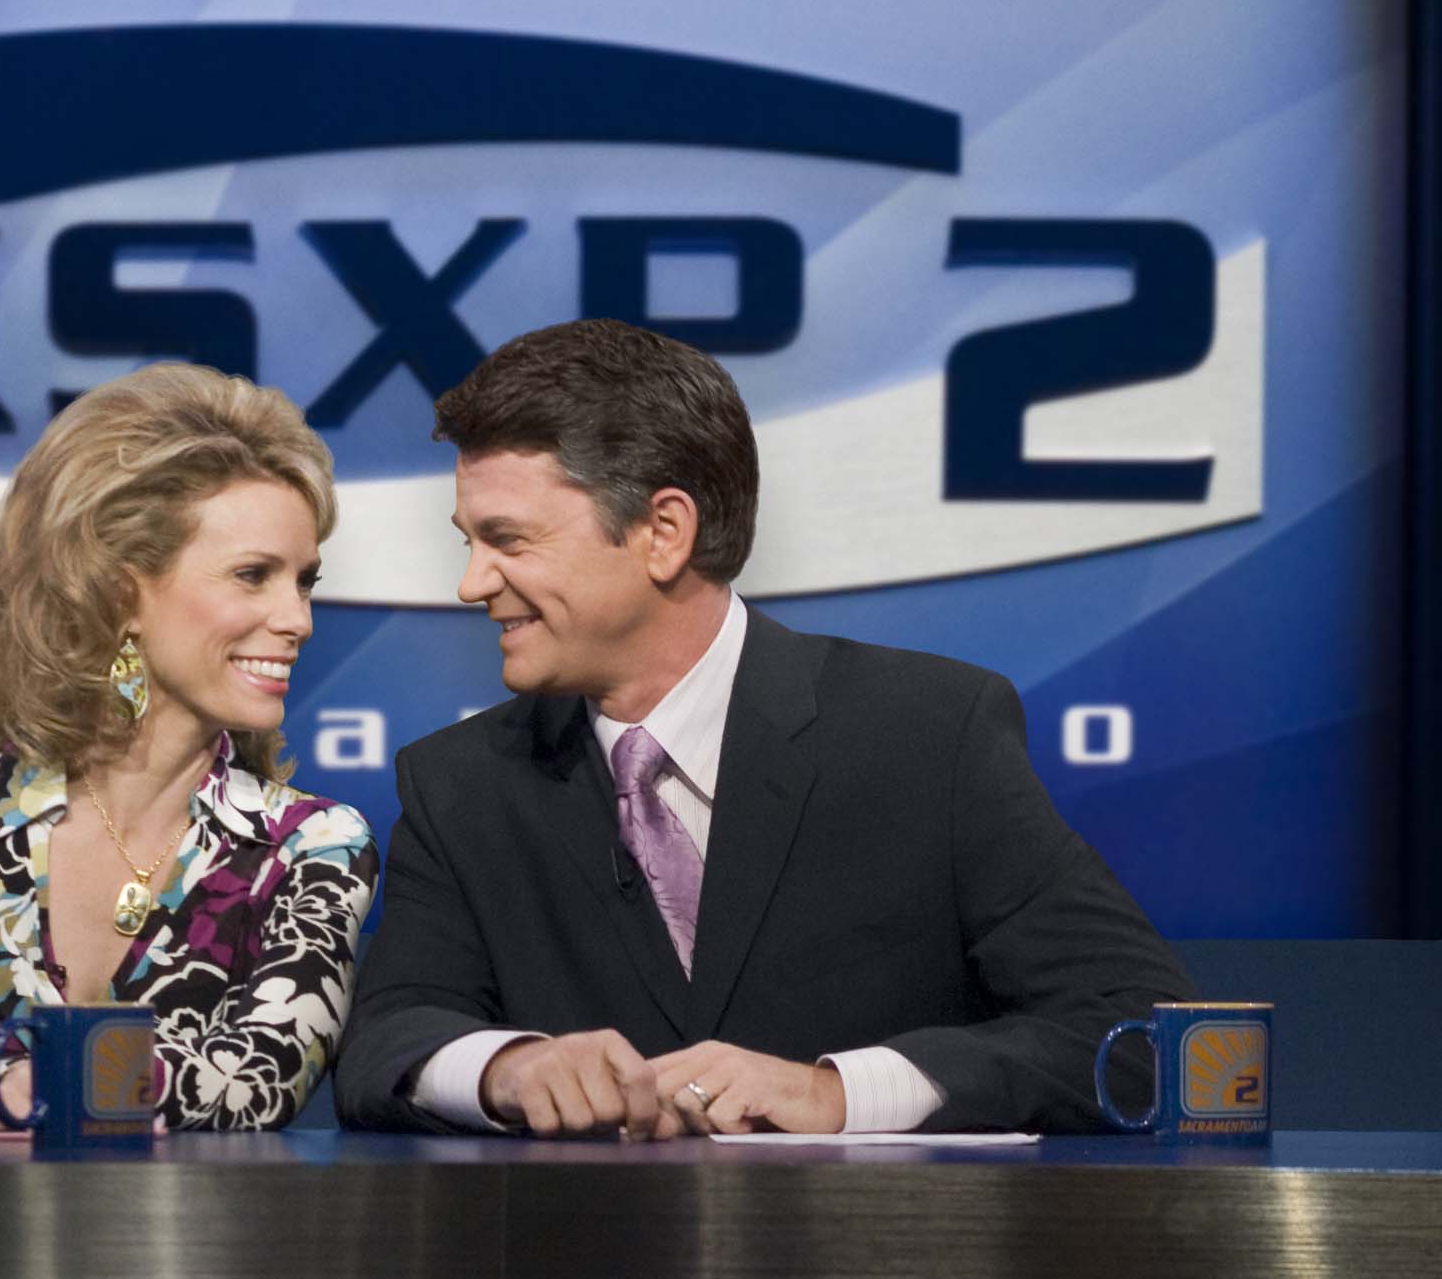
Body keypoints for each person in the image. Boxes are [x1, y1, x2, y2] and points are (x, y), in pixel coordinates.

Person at [333, 318, 1191, 1138]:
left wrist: (838, 1091)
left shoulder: (929, 736)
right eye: (470, 542)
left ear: (664, 533)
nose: (472, 583)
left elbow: (1149, 1037)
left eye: (508, 540)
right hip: (584, 1244)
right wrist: (509, 1069)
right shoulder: (460, 785)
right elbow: (385, 1043)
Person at [0, 366, 378, 1133]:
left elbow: (249, 1089)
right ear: (119, 593)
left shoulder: (311, 848)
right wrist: (30, 1089)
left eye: (304, 581)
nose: (298, 619)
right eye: (253, 576)